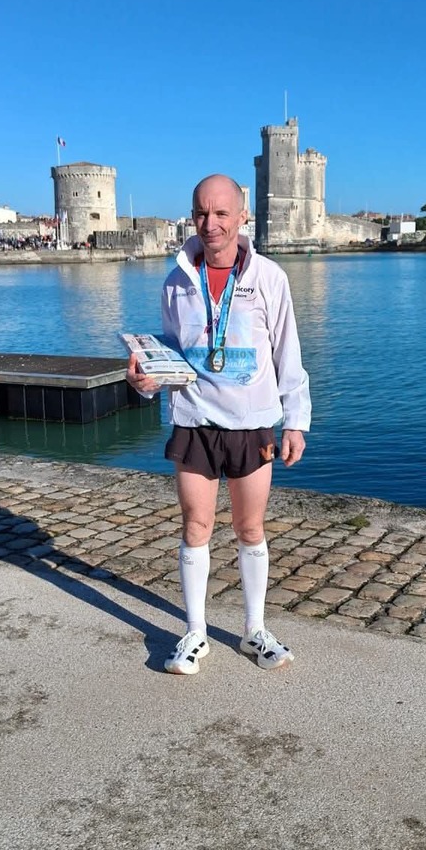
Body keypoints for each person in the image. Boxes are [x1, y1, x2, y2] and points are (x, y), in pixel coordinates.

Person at [126, 173, 311, 675]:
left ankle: (255, 632)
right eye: (202, 213)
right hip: (194, 421)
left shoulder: (269, 278)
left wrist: (295, 422)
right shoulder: (175, 282)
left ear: (242, 217)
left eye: (222, 213)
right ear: (193, 217)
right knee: (196, 527)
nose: (211, 224)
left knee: (250, 528)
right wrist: (148, 381)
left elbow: (287, 353)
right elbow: (171, 357)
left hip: (252, 424)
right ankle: (195, 634)